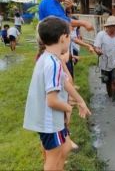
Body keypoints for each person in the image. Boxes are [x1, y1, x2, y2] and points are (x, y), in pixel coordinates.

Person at [23, 17, 91, 171]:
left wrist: (80, 101)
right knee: (53, 161)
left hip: (50, 119)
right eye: (70, 36)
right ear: (63, 38)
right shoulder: (53, 63)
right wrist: (68, 109)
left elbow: (65, 82)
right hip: (50, 122)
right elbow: (52, 101)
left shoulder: (49, 57)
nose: (71, 40)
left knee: (65, 147)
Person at [93, 16, 115, 101]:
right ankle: (110, 96)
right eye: (111, 26)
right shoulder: (101, 35)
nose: (113, 28)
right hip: (104, 64)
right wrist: (98, 51)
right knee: (107, 82)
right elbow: (96, 47)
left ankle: (113, 101)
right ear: (107, 27)